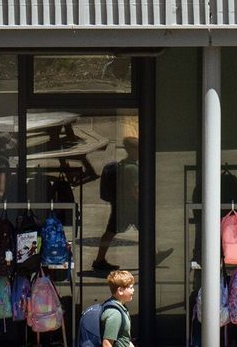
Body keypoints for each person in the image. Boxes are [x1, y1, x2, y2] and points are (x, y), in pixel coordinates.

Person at [93, 137, 142, 272]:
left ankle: (99, 260)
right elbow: (135, 191)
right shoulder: (132, 169)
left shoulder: (123, 164)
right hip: (131, 208)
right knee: (145, 231)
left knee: (110, 232)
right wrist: (143, 204)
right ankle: (99, 261)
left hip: (120, 206)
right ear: (133, 150)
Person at [98, 269, 137, 347]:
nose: (133, 290)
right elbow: (107, 344)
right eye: (130, 287)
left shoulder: (121, 307)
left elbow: (125, 339)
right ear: (120, 290)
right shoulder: (115, 313)